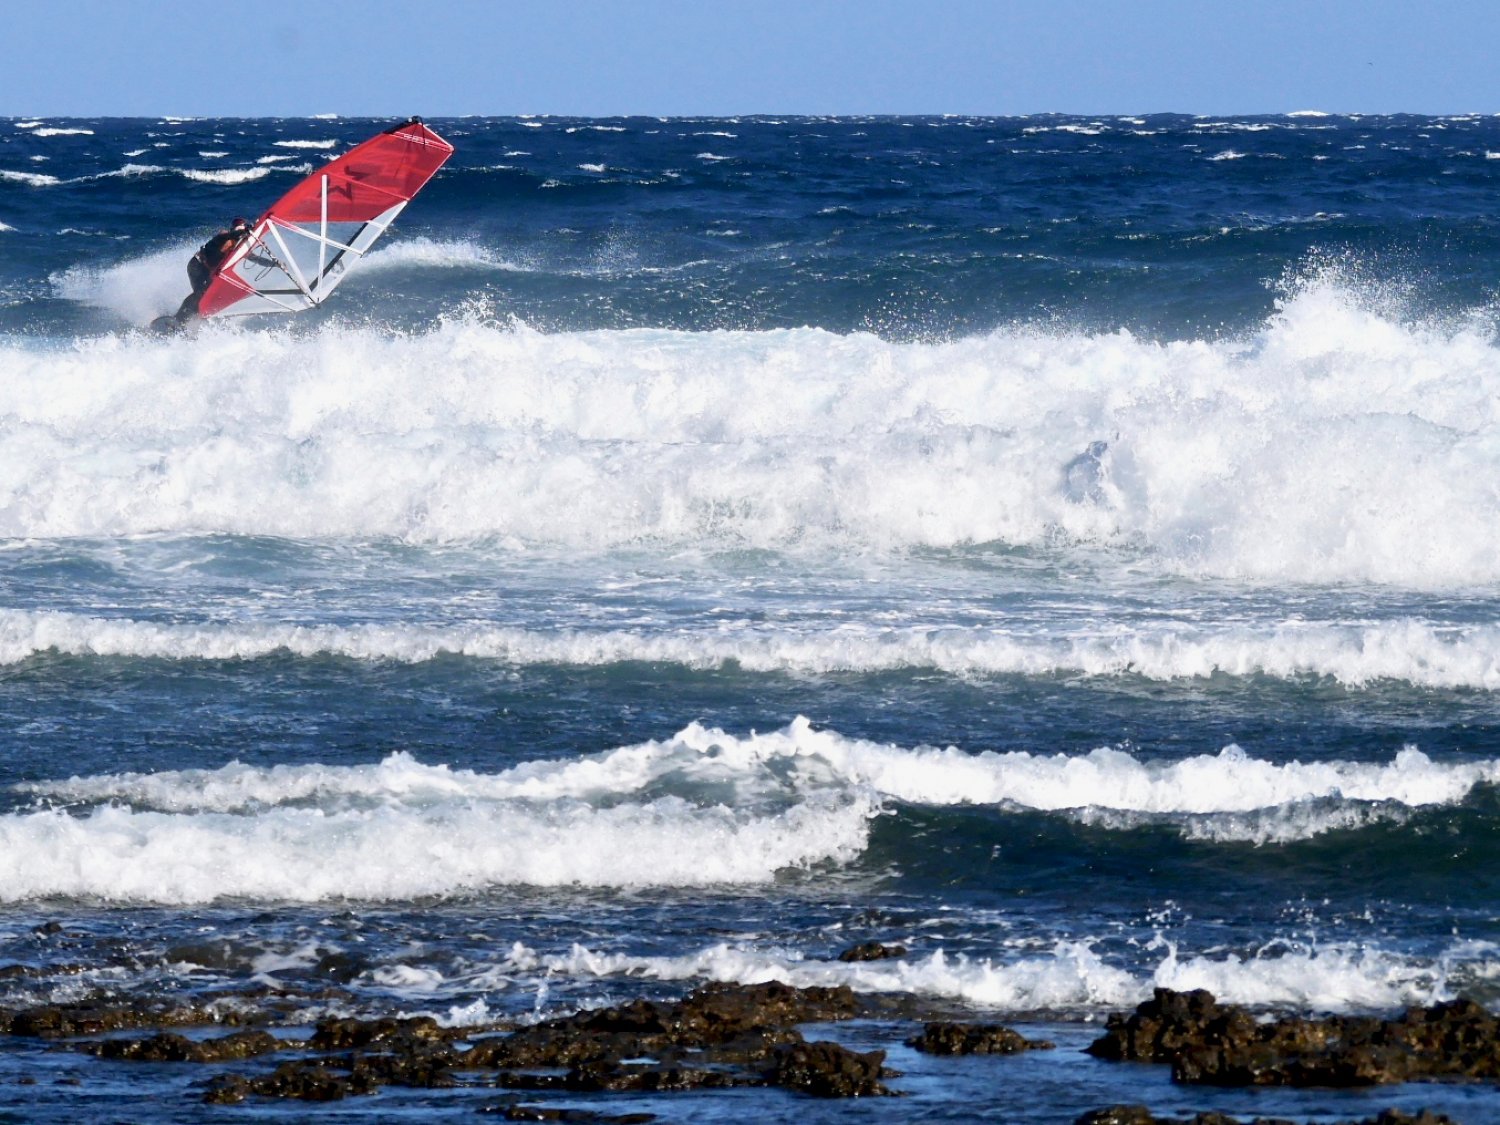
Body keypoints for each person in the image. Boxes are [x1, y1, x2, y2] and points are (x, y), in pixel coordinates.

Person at [174, 217, 255, 322]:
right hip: (197, 265)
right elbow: (232, 235)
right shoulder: (224, 236)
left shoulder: (239, 246)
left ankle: (190, 319)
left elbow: (255, 258)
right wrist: (244, 230)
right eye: (238, 229)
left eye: (241, 229)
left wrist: (275, 264)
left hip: (207, 271)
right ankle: (178, 318)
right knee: (200, 293)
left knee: (206, 295)